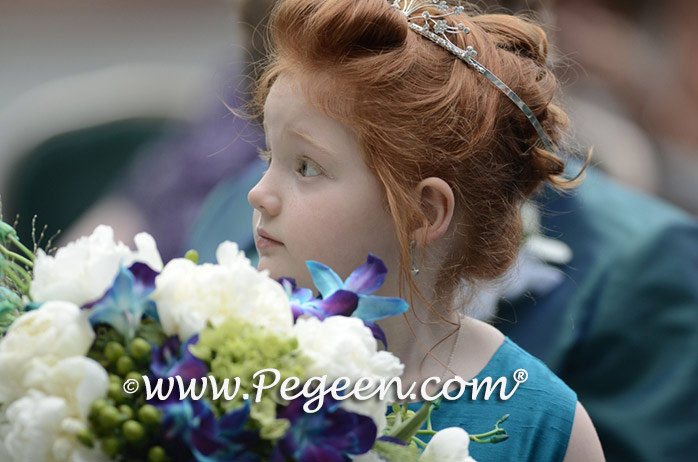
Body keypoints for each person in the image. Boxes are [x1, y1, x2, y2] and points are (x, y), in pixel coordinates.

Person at [245, 0, 604, 460]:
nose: (259, 194)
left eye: (307, 166)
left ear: (425, 212)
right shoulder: (213, 365)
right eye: (268, 158)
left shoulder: (543, 425)